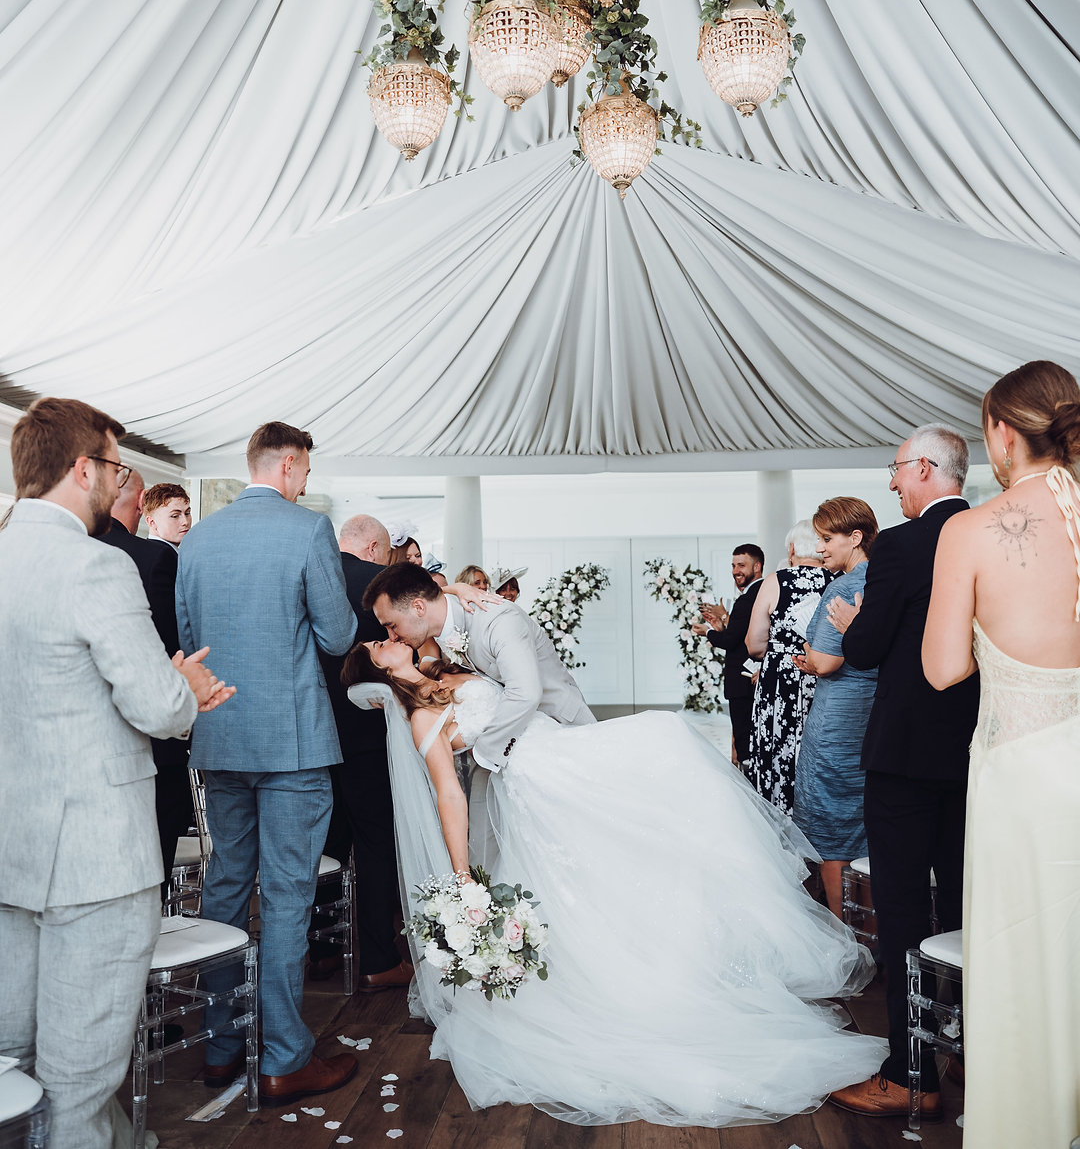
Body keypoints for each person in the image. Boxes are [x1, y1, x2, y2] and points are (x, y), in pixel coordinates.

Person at [345, 630, 887, 1128]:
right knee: (659, 753)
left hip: (557, 747)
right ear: (380, 673)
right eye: (378, 645)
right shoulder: (421, 719)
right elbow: (449, 794)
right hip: (542, 777)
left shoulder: (441, 669)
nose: (387, 637)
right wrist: (463, 878)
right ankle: (640, 976)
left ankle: (683, 950)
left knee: (663, 764)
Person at [0, 397, 230, 1149]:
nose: (119, 481)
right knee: (79, 1079)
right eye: (116, 467)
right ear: (82, 469)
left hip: (9, 851)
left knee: (13, 1065)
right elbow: (157, 707)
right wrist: (183, 685)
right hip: (93, 859)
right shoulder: (96, 565)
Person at [175, 421, 358, 1107]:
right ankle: (282, 1056)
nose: (306, 482)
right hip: (292, 743)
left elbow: (190, 642)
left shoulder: (198, 538)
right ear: (287, 463)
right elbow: (338, 635)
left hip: (220, 734)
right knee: (286, 893)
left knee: (225, 885)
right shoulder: (308, 530)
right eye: (305, 469)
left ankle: (221, 1047)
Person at [922, 360, 1080, 1149]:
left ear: (1001, 433)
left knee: (1027, 963)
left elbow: (943, 667)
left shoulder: (971, 530)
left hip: (1025, 779)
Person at [827, 425, 978, 1122]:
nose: (891, 482)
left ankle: (911, 1074)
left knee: (904, 911)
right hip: (978, 751)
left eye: (894, 469)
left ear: (922, 468)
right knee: (968, 905)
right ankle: (971, 1051)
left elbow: (864, 649)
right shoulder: (990, 533)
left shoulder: (903, 544)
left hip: (906, 756)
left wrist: (856, 620)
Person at [312, 513, 413, 991]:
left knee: (326, 843)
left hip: (315, 733)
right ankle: (377, 958)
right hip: (368, 731)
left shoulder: (312, 578)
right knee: (374, 844)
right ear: (374, 548)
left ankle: (322, 950)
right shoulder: (379, 584)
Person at [365, 563, 595, 770]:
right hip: (523, 749)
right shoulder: (440, 627)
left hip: (563, 729)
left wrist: (485, 752)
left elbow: (525, 693)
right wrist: (454, 588)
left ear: (418, 608)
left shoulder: (498, 620)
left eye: (392, 625)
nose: (391, 637)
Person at [96, 470, 192, 901]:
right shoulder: (154, 558)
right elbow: (170, 647)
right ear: (142, 507)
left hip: (87, 736)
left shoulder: (72, 549)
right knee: (153, 847)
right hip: (150, 734)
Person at [791, 499, 878, 917]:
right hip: (872, 711)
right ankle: (875, 928)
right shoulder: (883, 579)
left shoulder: (842, 587)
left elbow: (826, 662)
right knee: (864, 815)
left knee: (830, 820)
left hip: (838, 718)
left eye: (827, 539)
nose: (820, 548)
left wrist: (809, 655)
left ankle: (845, 932)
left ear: (855, 537)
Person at [745, 520, 828, 814]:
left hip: (781, 680)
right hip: (825, 677)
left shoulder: (775, 581)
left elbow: (754, 644)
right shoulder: (837, 581)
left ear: (791, 550)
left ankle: (778, 812)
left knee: (778, 744)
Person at [692, 543, 765, 767]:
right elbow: (741, 634)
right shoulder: (762, 593)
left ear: (757, 566)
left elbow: (731, 641)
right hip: (753, 678)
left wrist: (709, 632)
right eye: (733, 566)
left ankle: (748, 781)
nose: (735, 571)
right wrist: (722, 624)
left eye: (741, 565)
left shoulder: (748, 598)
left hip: (744, 681)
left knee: (745, 741)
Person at [143, 482, 191, 547]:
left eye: (187, 513)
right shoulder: (162, 552)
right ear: (152, 522)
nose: (186, 522)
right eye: (175, 516)